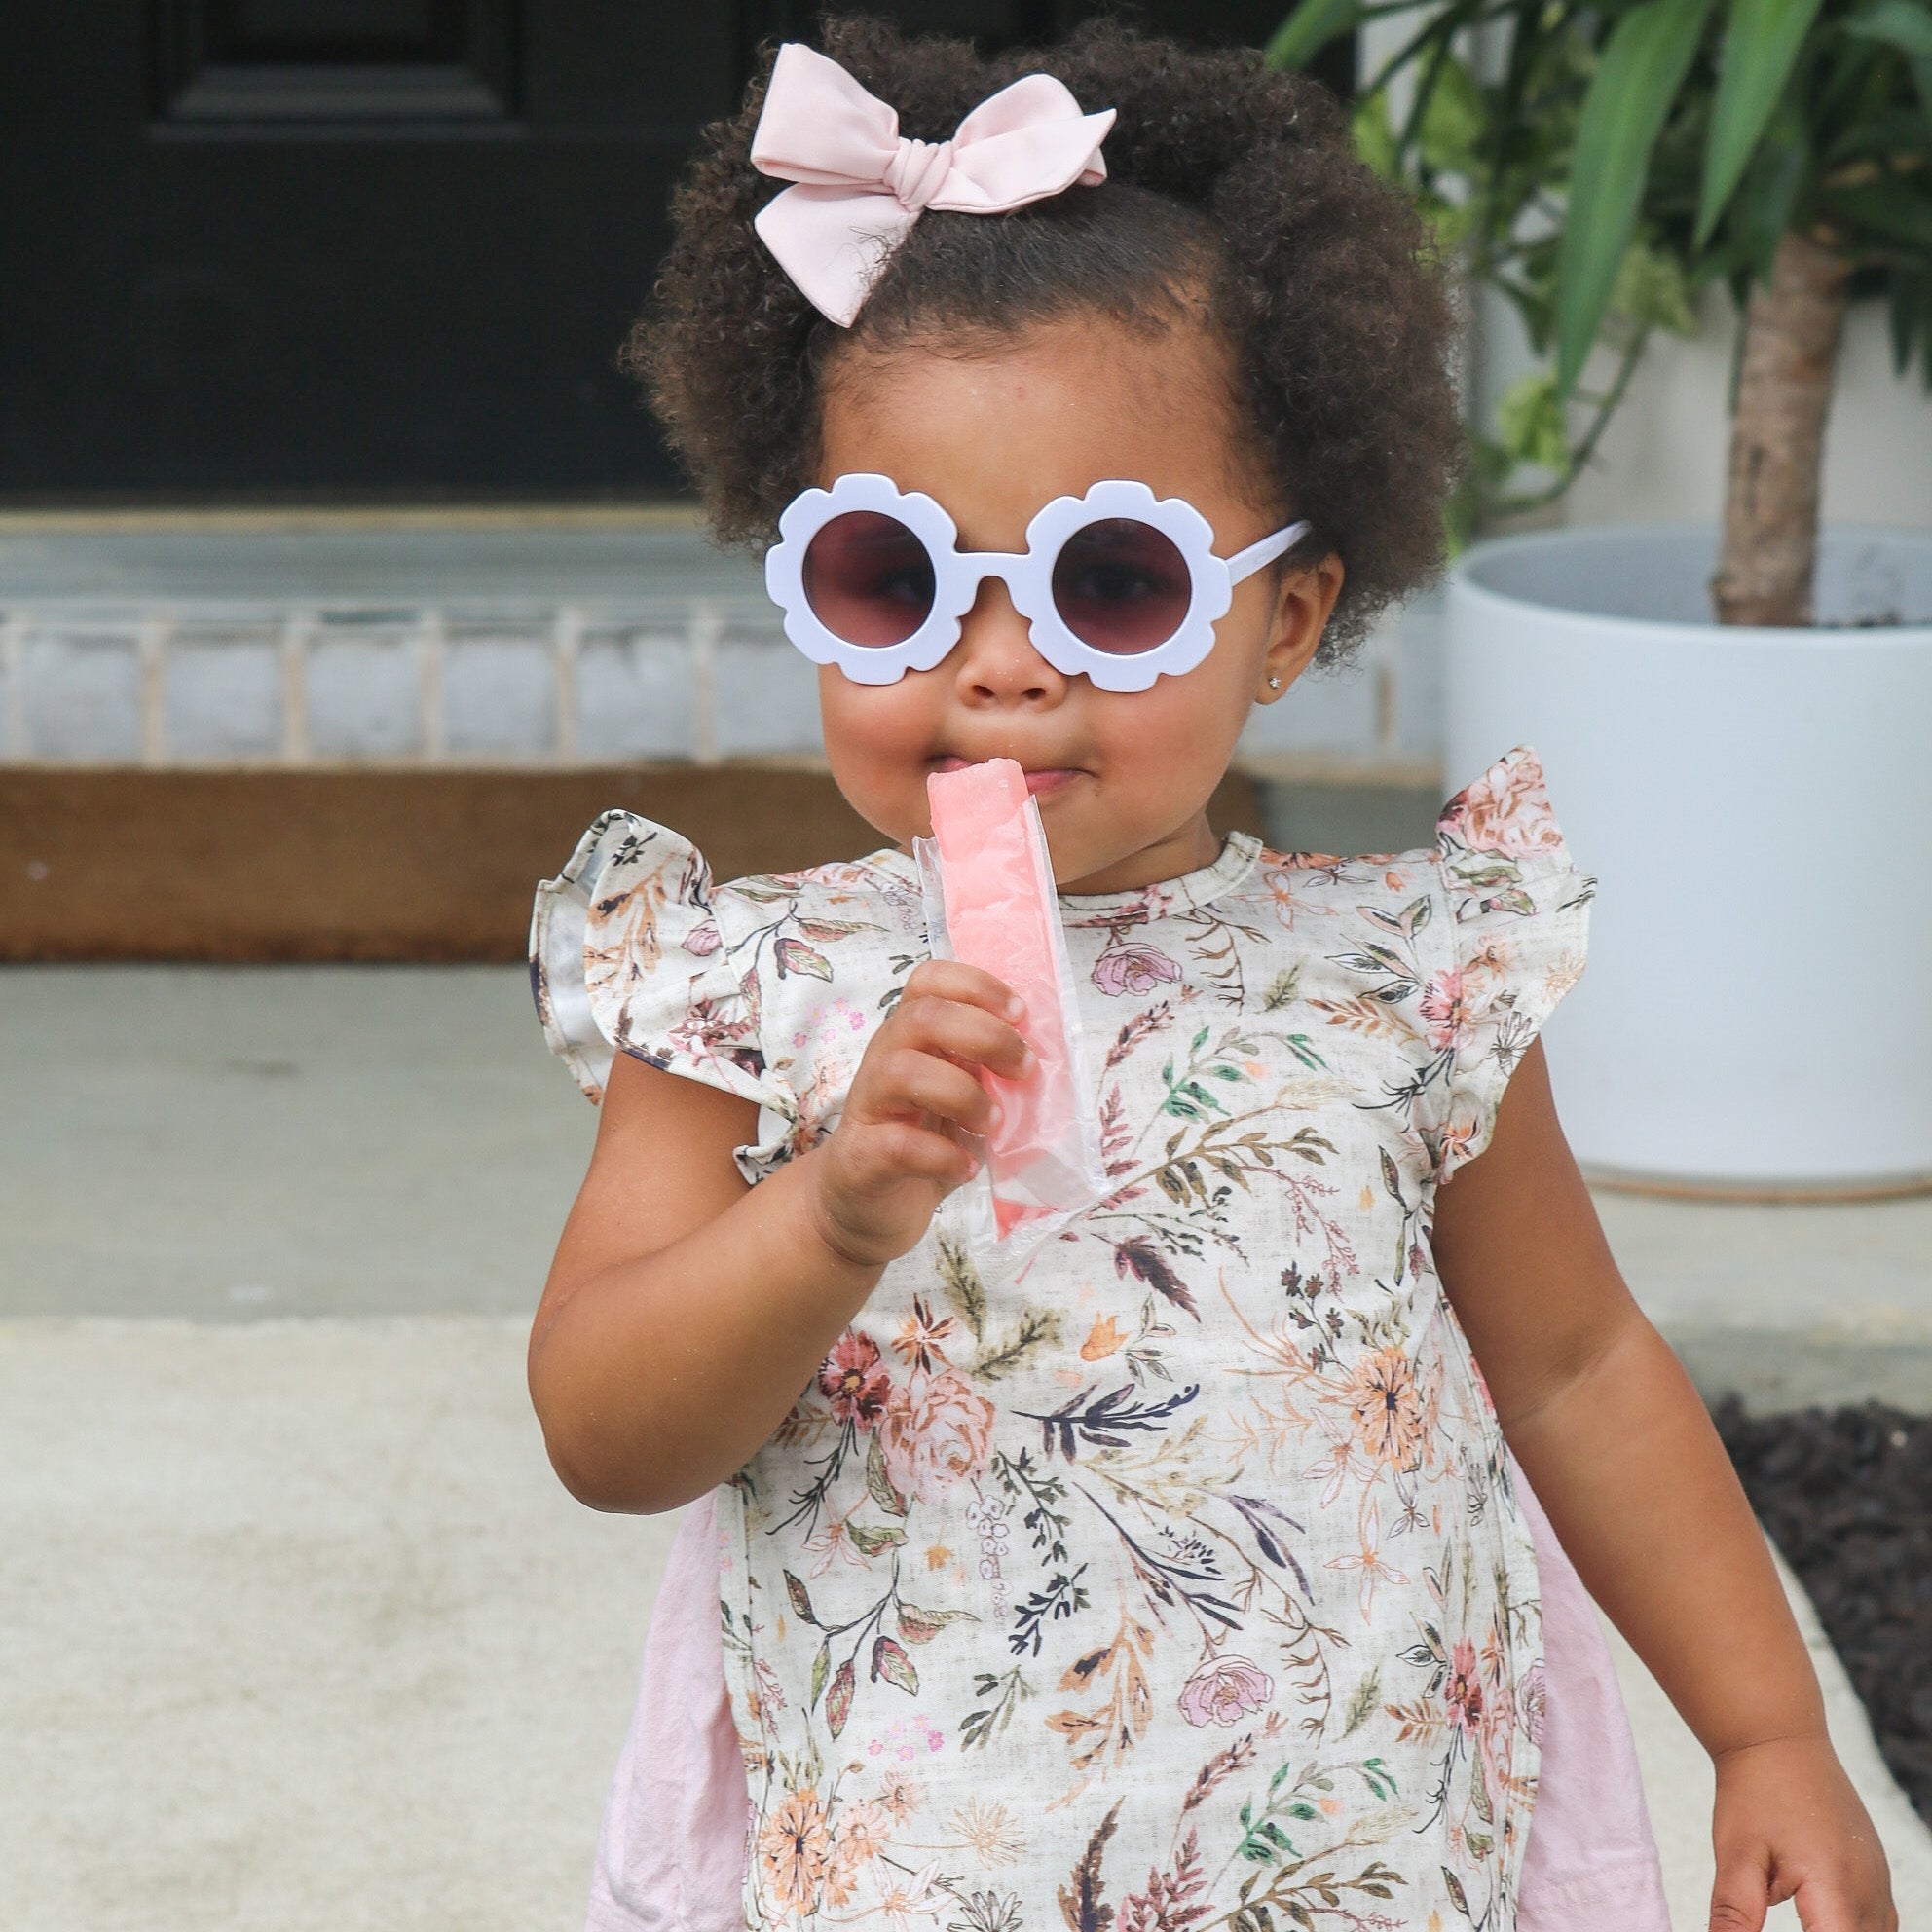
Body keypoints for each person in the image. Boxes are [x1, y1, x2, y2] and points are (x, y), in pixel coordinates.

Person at [527, 20, 1898, 1932]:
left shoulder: (1404, 977)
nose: (1002, 663)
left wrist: (1765, 1732)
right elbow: (604, 1428)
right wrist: (826, 1216)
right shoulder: (743, 992)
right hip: (926, 1863)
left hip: (1357, 1855)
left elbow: (1577, 1362)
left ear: (1286, 619)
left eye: (1109, 584)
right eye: (893, 576)